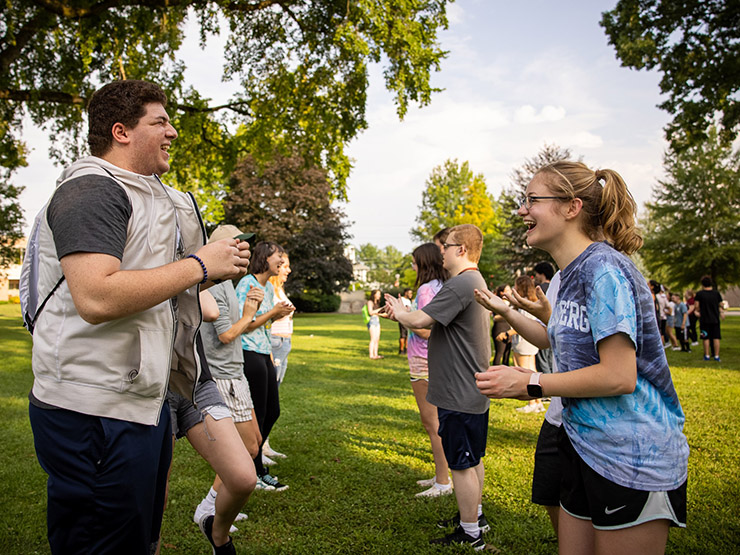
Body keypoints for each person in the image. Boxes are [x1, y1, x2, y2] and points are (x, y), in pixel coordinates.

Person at [24, 80, 251, 554]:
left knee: (136, 539)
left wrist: (209, 269)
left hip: (140, 402)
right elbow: (97, 296)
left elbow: (151, 288)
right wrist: (200, 264)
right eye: (160, 121)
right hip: (91, 409)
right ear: (121, 131)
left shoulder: (149, 196)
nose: (172, 131)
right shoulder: (90, 189)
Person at [474, 161, 688, 555]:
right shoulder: (569, 273)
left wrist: (530, 383)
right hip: (581, 444)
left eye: (532, 200)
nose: (523, 210)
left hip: (633, 457)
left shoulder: (604, 271)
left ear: (571, 208)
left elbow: (619, 376)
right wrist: (507, 314)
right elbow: (558, 338)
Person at [385, 224, 491, 550]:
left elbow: (419, 322)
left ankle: (470, 532)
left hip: (459, 390)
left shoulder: (461, 283)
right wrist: (403, 314)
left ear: (461, 250)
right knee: (472, 460)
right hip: (470, 388)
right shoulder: (473, 280)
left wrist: (399, 311)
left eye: (446, 246)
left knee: (460, 463)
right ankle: (475, 516)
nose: (441, 250)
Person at [192, 225, 267, 540]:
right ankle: (209, 508)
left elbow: (239, 331)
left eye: (244, 244)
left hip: (235, 372)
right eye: (235, 244)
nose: (243, 250)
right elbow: (225, 335)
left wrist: (258, 314)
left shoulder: (228, 283)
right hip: (223, 375)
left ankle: (215, 504)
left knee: (253, 443)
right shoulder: (214, 286)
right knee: (247, 447)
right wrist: (249, 312)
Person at [235, 242, 295, 490]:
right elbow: (244, 324)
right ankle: (256, 471)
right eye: (277, 256)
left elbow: (263, 324)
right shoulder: (247, 284)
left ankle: (252, 463)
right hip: (249, 353)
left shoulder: (268, 288)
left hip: (264, 352)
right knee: (257, 416)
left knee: (273, 411)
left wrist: (277, 314)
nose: (282, 260)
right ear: (263, 258)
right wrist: (273, 314)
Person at [403, 243, 452, 498]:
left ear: (423, 263)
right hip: (437, 359)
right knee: (436, 421)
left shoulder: (424, 290)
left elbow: (425, 330)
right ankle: (440, 474)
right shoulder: (442, 286)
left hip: (423, 360)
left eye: (414, 262)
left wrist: (402, 316)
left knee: (431, 422)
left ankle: (443, 481)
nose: (412, 267)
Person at [266, 253, 294, 461]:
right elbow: (262, 318)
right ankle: (258, 447)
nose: (288, 270)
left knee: (273, 396)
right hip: (273, 343)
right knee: (266, 397)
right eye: (285, 266)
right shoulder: (267, 288)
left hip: (284, 344)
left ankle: (264, 444)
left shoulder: (279, 289)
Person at [508, 276, 544, 414]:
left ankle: (531, 401)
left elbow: (521, 324)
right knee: (532, 370)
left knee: (525, 371)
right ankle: (538, 401)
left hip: (523, 341)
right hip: (529, 342)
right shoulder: (532, 302)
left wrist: (507, 333)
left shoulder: (524, 305)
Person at [694, 275, 724, 362]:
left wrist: (698, 311)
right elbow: (721, 305)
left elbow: (697, 306)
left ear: (702, 284)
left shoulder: (699, 294)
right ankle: (716, 356)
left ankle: (707, 355)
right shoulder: (716, 293)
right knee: (716, 337)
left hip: (704, 319)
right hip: (715, 319)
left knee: (705, 337)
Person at [533, 261, 555, 375]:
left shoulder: (539, 289)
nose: (536, 276)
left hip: (543, 327)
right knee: (552, 360)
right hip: (555, 327)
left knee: (542, 361)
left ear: (542, 274)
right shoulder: (556, 286)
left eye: (537, 273)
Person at [491, 284, 513, 366]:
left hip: (508, 329)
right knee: (499, 352)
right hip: (499, 328)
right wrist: (509, 313)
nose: (510, 292)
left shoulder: (511, 303)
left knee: (507, 353)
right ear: (501, 293)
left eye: (510, 290)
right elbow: (495, 317)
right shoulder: (498, 303)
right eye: (507, 290)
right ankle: (494, 371)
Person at [366, 289, 384, 359]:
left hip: (377, 320)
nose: (379, 295)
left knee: (377, 339)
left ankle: (376, 354)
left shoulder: (377, 303)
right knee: (373, 338)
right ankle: (371, 355)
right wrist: (380, 310)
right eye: (378, 294)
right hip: (372, 321)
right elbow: (370, 312)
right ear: (374, 294)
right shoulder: (370, 302)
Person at [398, 288, 413, 354]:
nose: (411, 295)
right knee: (403, 335)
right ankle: (401, 350)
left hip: (408, 319)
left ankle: (406, 348)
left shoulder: (409, 301)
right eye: (410, 293)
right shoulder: (401, 299)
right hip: (402, 319)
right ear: (406, 293)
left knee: (407, 334)